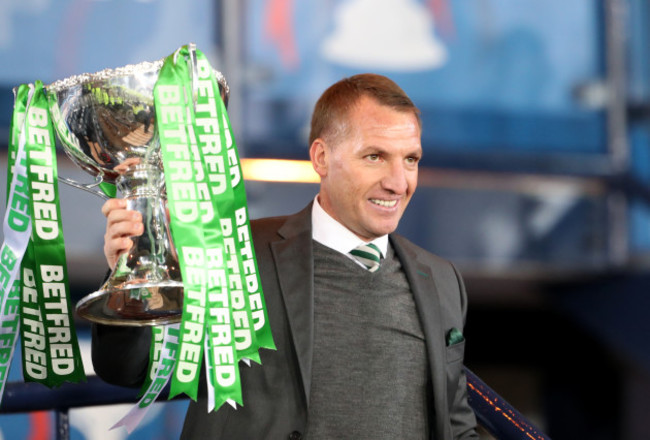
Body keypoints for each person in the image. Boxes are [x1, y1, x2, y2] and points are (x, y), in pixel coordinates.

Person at [93, 73, 479, 439]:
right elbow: (131, 369)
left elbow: (455, 424)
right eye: (375, 157)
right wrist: (130, 279)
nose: (398, 182)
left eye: (410, 159)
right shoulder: (233, 253)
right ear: (322, 158)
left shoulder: (442, 279)